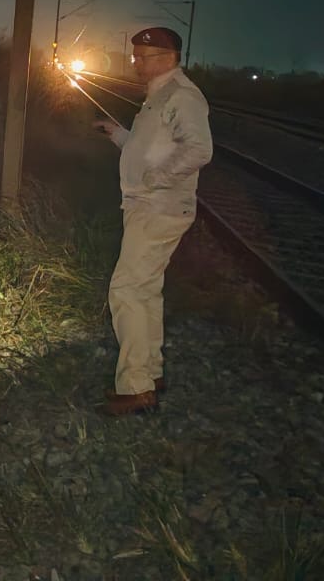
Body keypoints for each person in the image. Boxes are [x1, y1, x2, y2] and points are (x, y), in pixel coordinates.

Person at [92, 26, 212, 416]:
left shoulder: (182, 97)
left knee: (126, 290)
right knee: (145, 290)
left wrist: (154, 180)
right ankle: (152, 372)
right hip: (150, 204)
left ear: (166, 57)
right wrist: (119, 136)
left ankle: (136, 388)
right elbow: (150, 149)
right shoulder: (159, 96)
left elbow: (199, 149)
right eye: (135, 56)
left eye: (142, 57)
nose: (135, 62)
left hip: (157, 206)